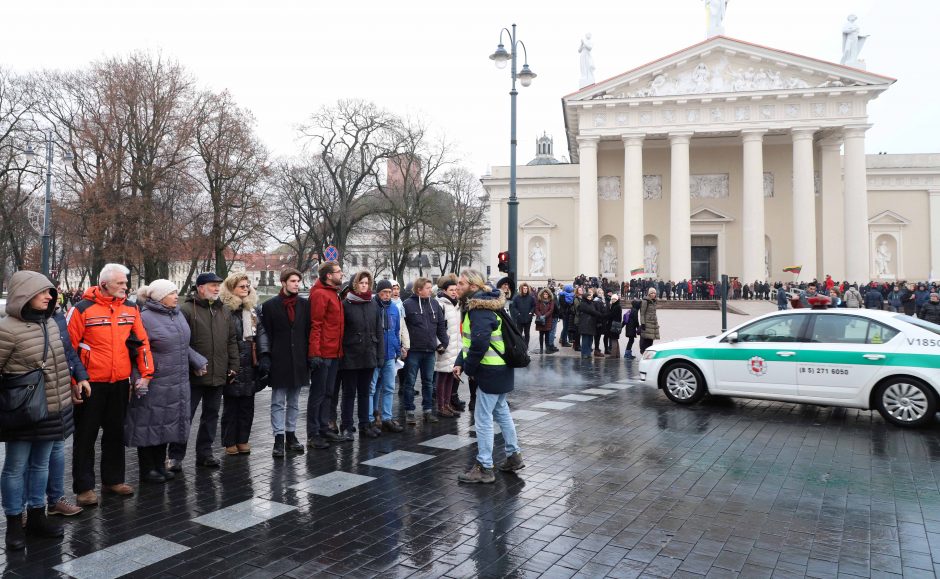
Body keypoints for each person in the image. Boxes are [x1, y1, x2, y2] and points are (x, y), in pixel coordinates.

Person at [0, 271, 87, 549]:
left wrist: (74, 384)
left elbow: (64, 361)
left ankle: (37, 517)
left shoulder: (51, 322)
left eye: (51, 292)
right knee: (15, 467)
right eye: (44, 292)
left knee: (40, 465)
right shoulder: (6, 329)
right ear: (25, 293)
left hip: (54, 407)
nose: (51, 297)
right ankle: (14, 523)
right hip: (23, 411)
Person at [67, 263, 152, 507]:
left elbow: (142, 342)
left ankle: (113, 480)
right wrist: (75, 382)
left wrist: (146, 373)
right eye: (121, 283)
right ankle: (84, 487)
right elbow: (68, 349)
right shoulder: (82, 309)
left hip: (120, 382)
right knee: (86, 435)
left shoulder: (131, 308)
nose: (126, 287)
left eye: (126, 283)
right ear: (104, 284)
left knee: (115, 432)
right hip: (90, 383)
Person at [128, 281, 207, 484]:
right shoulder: (144, 317)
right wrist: (138, 379)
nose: (175, 295)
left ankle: (159, 466)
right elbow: (136, 351)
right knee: (149, 424)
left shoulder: (177, 314)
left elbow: (182, 346)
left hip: (177, 380)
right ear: (159, 297)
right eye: (171, 293)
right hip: (153, 382)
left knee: (166, 425)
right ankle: (148, 469)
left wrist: (197, 361)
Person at [454, 269, 524, 484]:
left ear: (473, 287)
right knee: (502, 412)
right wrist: (460, 361)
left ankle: (485, 466)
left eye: (461, 284)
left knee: (483, 419)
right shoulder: (488, 303)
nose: (457, 287)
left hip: (490, 370)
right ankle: (513, 456)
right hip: (501, 369)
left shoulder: (479, 308)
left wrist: (470, 368)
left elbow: (480, 343)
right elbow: (471, 341)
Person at [169, 272, 238, 471]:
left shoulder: (223, 310)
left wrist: (233, 366)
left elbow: (231, 340)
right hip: (193, 375)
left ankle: (205, 453)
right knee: (185, 416)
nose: (216, 288)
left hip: (218, 373)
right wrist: (193, 365)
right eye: (212, 285)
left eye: (218, 285)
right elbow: (181, 343)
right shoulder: (186, 310)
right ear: (200, 288)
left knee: (211, 415)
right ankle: (175, 456)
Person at [260, 269, 311, 455]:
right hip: (279, 359)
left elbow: (307, 332)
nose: (297, 284)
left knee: (295, 401)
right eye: (293, 281)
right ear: (283, 283)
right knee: (278, 401)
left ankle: (291, 435)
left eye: (298, 281)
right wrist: (267, 356)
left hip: (299, 359)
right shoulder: (270, 306)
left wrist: (310, 356)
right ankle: (278, 438)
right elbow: (267, 333)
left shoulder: (305, 305)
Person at [220, 273, 266, 456]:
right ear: (232, 288)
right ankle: (229, 441)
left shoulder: (253, 309)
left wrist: (264, 356)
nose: (246, 289)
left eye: (247, 286)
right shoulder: (225, 310)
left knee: (248, 404)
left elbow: (260, 333)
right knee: (231, 405)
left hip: (250, 361)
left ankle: (243, 439)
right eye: (241, 286)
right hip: (233, 361)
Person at [338, 271, 384, 439]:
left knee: (365, 391)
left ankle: (365, 424)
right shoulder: (345, 304)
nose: (364, 286)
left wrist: (380, 355)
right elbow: (340, 332)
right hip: (351, 355)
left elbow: (379, 330)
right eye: (361, 283)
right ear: (354, 284)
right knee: (349, 393)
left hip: (369, 354)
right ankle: (347, 426)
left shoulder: (373, 304)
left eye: (367, 283)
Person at [307, 261, 345, 448]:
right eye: (339, 272)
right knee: (318, 394)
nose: (342, 274)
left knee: (329, 392)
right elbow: (316, 324)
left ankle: (324, 428)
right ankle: (313, 433)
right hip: (323, 353)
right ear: (329, 275)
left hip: (334, 352)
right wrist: (315, 353)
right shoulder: (320, 294)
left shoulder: (333, 293)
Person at [401, 277, 449, 425]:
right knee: (409, 382)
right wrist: (403, 346)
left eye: (430, 287)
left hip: (430, 350)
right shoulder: (407, 304)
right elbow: (401, 328)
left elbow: (441, 326)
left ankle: (427, 410)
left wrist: (444, 343)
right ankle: (409, 411)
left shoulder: (435, 304)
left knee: (428, 382)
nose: (430, 290)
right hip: (413, 351)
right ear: (418, 290)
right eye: (427, 288)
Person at [371, 280, 407, 433]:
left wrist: (397, 348)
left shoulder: (394, 308)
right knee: (372, 388)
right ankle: (371, 418)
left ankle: (387, 417)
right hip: (375, 354)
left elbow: (396, 329)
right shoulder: (373, 307)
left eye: (389, 292)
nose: (386, 295)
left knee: (389, 387)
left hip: (390, 355)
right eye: (383, 293)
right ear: (378, 293)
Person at [433, 275, 462, 418]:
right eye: (451, 290)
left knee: (452, 375)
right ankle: (441, 405)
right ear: (444, 290)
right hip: (445, 346)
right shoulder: (440, 304)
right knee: (442, 376)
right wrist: (440, 344)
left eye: (456, 290)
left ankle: (447, 404)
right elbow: (437, 327)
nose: (454, 292)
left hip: (456, 346)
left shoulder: (457, 304)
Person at [577, 289, 604, 360]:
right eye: (588, 297)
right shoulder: (583, 304)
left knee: (590, 340)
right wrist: (600, 314)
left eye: (590, 297)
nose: (589, 298)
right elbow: (591, 311)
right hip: (585, 324)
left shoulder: (592, 303)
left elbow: (594, 310)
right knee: (585, 340)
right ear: (585, 298)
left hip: (591, 324)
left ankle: (588, 353)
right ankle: (584, 354)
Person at [509, 283, 535, 349]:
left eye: (526, 288)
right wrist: (517, 313)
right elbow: (514, 307)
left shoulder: (531, 297)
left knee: (527, 333)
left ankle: (526, 346)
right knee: (519, 333)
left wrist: (531, 313)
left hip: (528, 318)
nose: (525, 290)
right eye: (524, 288)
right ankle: (519, 345)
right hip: (519, 318)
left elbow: (533, 306)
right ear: (521, 289)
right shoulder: (517, 297)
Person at [639, 287, 660, 354]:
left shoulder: (654, 301)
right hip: (647, 323)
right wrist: (643, 323)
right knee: (646, 340)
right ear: (649, 294)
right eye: (652, 293)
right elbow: (642, 313)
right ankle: (644, 353)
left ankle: (648, 354)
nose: (653, 294)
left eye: (654, 293)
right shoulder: (645, 301)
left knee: (650, 340)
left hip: (653, 323)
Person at [533, 289, 555, 355]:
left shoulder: (551, 301)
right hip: (540, 320)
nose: (545, 295)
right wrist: (540, 316)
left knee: (547, 335)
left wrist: (544, 316)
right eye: (544, 294)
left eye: (546, 294)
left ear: (548, 295)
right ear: (542, 295)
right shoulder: (539, 301)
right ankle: (541, 348)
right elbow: (536, 309)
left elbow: (551, 310)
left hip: (548, 320)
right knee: (541, 335)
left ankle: (547, 348)